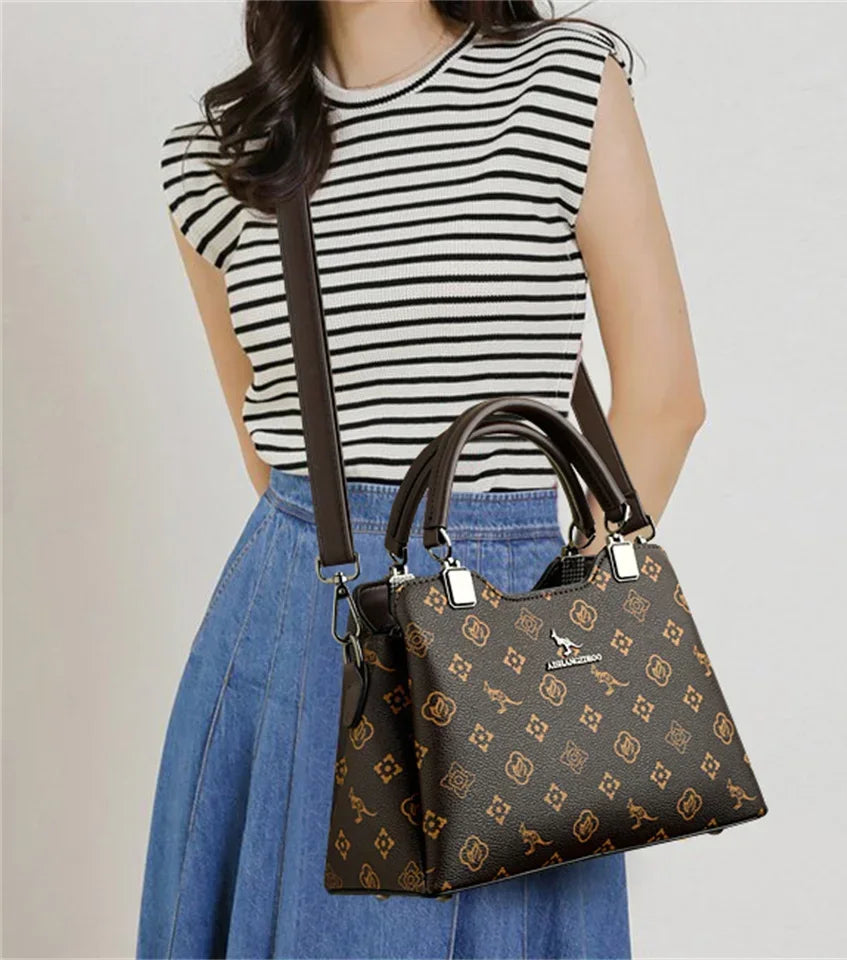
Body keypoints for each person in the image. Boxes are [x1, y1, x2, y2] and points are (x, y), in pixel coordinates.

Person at [137, 2, 705, 958]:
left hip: (421, 611)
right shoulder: (215, 153)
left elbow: (665, 402)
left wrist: (549, 639)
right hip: (322, 633)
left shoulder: (561, 77)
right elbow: (271, 451)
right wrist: (546, 642)